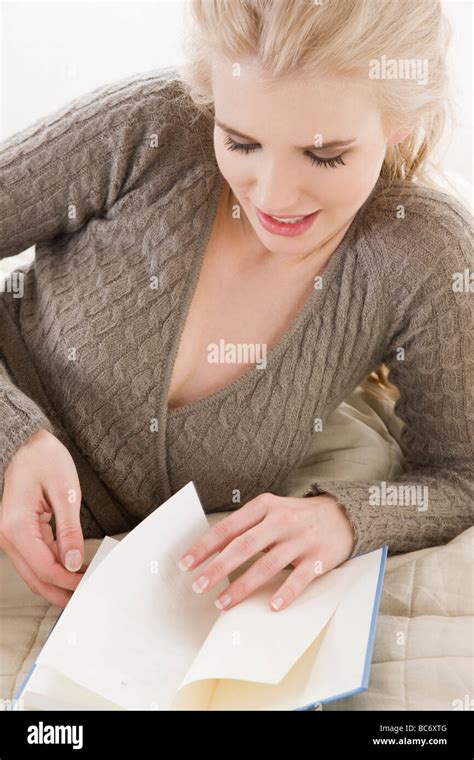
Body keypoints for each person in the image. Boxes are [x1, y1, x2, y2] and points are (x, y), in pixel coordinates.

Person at [0, 0, 472, 612]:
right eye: (241, 141)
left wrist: (343, 518)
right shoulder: (150, 130)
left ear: (399, 122)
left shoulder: (422, 257)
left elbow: (462, 472)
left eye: (324, 155)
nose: (274, 195)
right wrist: (13, 437)